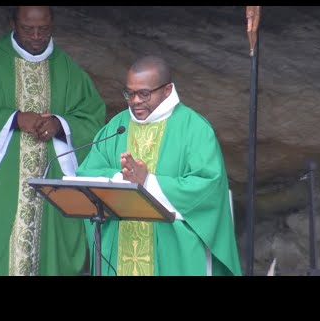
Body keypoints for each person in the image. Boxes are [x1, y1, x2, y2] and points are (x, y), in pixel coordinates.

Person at [0, 6, 106, 276]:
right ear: (13, 24)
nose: (35, 36)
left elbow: (93, 119)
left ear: (52, 23)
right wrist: (13, 119)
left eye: (43, 29)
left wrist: (61, 125)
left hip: (51, 197)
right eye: (27, 28)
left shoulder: (68, 70)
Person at [76, 55, 242, 276]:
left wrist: (148, 182)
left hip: (173, 250)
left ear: (167, 90)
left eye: (144, 93)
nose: (135, 101)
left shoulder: (194, 128)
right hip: (120, 249)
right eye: (129, 93)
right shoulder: (117, 126)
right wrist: (120, 179)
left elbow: (207, 187)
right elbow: (87, 173)